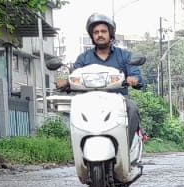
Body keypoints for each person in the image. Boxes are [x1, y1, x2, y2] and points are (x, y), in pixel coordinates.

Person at [59, 14, 144, 145]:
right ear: (92, 36)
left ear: (111, 34)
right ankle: (79, 148)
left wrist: (134, 79)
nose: (100, 35)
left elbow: (136, 75)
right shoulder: (83, 58)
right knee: (74, 110)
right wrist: (66, 83)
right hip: (89, 101)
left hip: (118, 100)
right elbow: (75, 76)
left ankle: (125, 146)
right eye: (96, 32)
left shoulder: (125, 56)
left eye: (103, 31)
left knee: (132, 109)